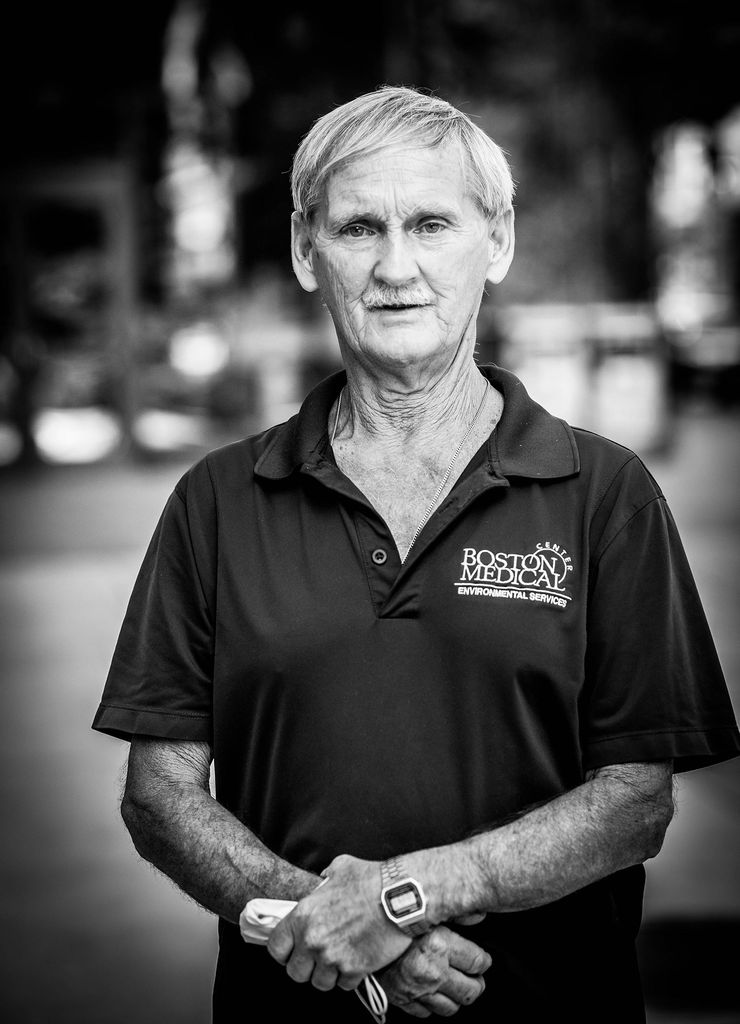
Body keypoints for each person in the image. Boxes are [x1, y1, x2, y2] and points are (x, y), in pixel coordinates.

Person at [93, 85, 740, 1023]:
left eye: (431, 223)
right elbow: (160, 799)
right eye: (359, 228)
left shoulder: (605, 494)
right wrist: (328, 930)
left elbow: (636, 802)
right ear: (305, 252)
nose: (397, 266)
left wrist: (402, 897)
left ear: (498, 243)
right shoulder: (217, 502)